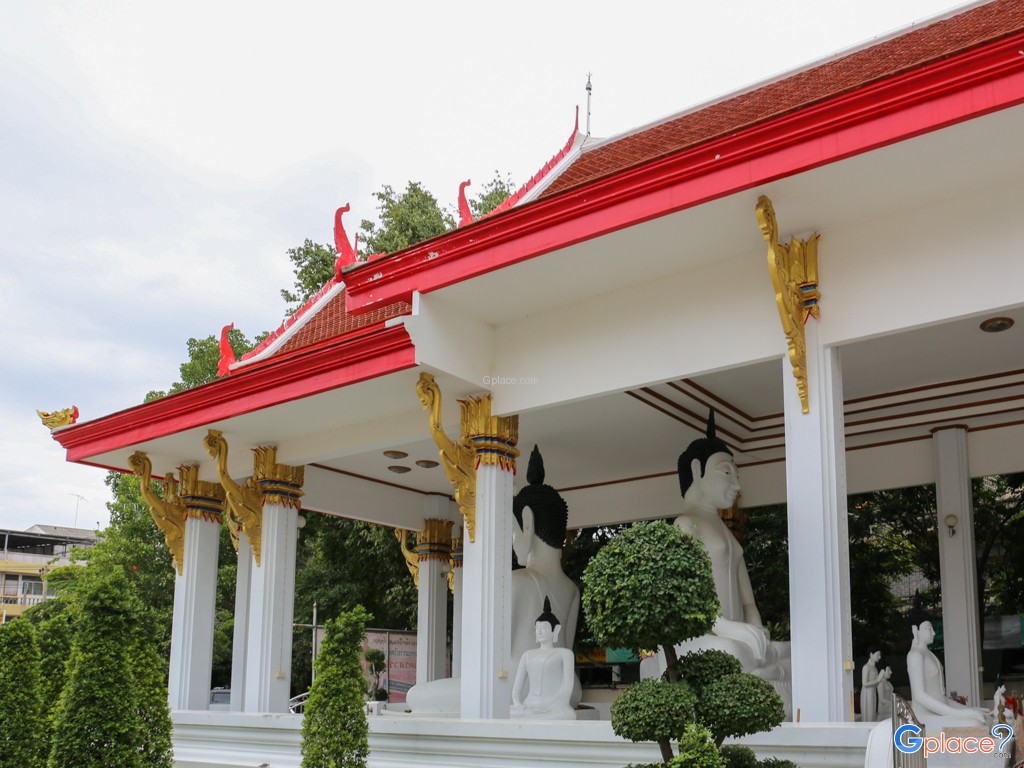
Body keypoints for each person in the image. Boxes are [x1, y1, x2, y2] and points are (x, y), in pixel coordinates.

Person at [406, 445, 580, 713]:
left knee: (416, 696)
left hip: (514, 686)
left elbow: (494, 654)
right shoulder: (572, 590)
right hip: (566, 690)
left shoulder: (518, 580)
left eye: (514, 532)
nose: (513, 541)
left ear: (527, 523)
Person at [671, 411, 789, 681]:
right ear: (696, 471)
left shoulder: (725, 531)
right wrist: (723, 626)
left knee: (788, 651)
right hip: (703, 635)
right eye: (726, 472)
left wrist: (756, 629)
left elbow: (748, 602)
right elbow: (687, 601)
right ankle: (761, 670)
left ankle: (761, 668)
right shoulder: (686, 525)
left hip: (737, 633)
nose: (736, 485)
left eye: (737, 474)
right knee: (735, 652)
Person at [906, 621, 987, 730]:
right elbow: (920, 696)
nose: (934, 633)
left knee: (985, 718)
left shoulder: (929, 654)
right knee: (975, 724)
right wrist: (959, 714)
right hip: (922, 718)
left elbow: (941, 698)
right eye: (929, 629)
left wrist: (970, 709)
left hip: (938, 712)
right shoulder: (915, 655)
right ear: (916, 630)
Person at [510, 597, 576, 720]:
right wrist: (518, 703)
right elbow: (516, 691)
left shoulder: (564, 654)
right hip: (529, 706)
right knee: (508, 713)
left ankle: (535, 717)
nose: (539, 632)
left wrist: (549, 706)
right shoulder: (527, 655)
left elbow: (566, 690)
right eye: (537, 628)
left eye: (544, 628)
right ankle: (531, 716)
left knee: (568, 715)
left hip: (553, 707)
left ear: (555, 630)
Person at [860, 648, 884, 721]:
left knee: (873, 713)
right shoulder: (866, 667)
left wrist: (879, 680)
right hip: (867, 692)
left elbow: (876, 683)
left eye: (879, 655)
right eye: (877, 655)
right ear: (871, 654)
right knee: (868, 714)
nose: (879, 657)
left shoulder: (875, 669)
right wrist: (877, 680)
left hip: (873, 691)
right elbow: (864, 683)